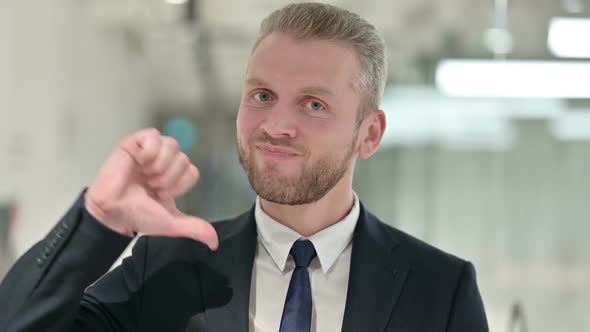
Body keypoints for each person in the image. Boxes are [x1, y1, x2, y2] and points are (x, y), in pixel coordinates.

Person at [0, 3, 488, 332]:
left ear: (370, 134)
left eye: (313, 104)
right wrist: (99, 218)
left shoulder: (439, 291)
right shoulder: (168, 268)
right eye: (262, 95)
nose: (276, 125)